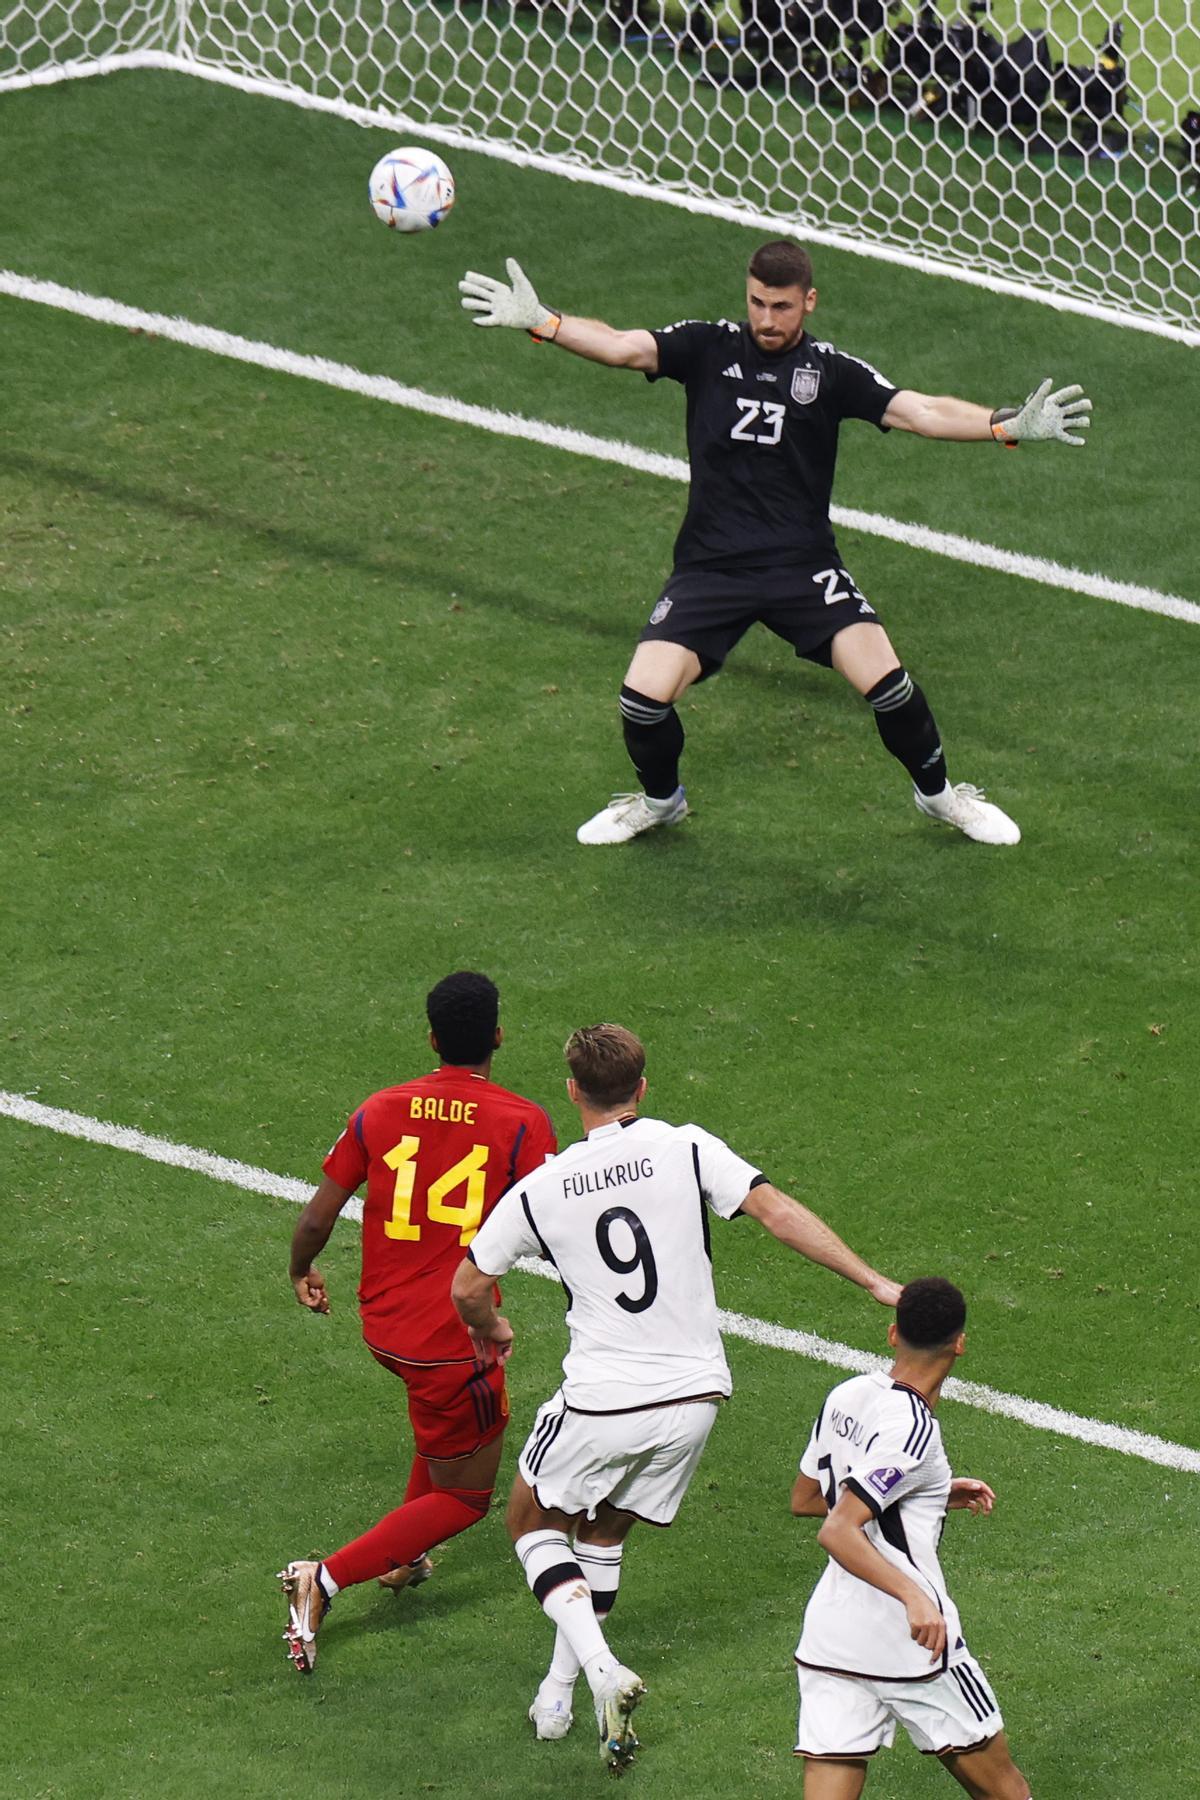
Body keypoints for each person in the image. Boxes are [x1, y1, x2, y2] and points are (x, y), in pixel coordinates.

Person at [459, 242, 1092, 849]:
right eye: (757, 302)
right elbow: (625, 347)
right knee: (641, 702)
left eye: (781, 306)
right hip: (710, 567)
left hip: (802, 565)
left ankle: (941, 797)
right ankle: (660, 804)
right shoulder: (707, 346)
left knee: (890, 686)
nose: (766, 318)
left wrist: (1003, 424)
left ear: (808, 301)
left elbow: (919, 411)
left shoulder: (831, 372)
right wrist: (545, 322)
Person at [450, 1022, 902, 1771]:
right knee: (602, 1532)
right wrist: (875, 1282)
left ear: (571, 1092)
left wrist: (491, 1327)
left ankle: (600, 1671)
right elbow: (776, 1211)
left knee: (531, 1522)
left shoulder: (541, 1189)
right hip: (696, 1397)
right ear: (642, 1087)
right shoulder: (686, 1146)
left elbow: (467, 1285)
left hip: (603, 1396)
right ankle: (560, 1695)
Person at [277, 971, 557, 1673]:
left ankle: (402, 1559)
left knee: (441, 1429)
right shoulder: (522, 1121)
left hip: (385, 1327)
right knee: (465, 1495)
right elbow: (557, 1226)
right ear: (497, 1035)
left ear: (432, 1038)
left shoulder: (380, 1108)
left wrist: (300, 1270)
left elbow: (316, 1216)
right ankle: (326, 1577)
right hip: (454, 1340)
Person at [789, 1277, 1032, 1799]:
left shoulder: (848, 1394)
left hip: (834, 1636)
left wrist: (931, 1493)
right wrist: (916, 1598)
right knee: (1006, 1792)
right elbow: (837, 1529)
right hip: (911, 1643)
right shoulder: (915, 1427)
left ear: (892, 1333)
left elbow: (810, 1498)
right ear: (960, 1343)